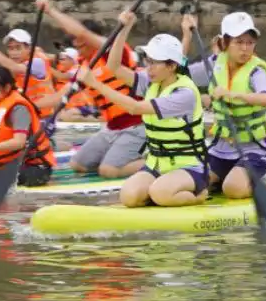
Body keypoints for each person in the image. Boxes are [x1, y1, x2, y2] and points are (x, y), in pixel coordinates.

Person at [78, 33, 210, 209]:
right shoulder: (150, 82)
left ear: (171, 66)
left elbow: (135, 108)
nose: (149, 68)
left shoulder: (184, 94)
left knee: (160, 193)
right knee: (129, 197)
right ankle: (162, 193)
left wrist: (97, 85)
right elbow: (114, 67)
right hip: (156, 163)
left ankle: (198, 195)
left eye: (155, 63)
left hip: (189, 166)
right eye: (148, 61)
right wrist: (125, 27)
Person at [39, 0, 149, 178]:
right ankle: (121, 155)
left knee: (108, 171)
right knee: (78, 164)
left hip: (136, 126)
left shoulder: (114, 53)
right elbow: (57, 97)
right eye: (77, 47)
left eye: (82, 45)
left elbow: (81, 32)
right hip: (111, 128)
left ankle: (159, 162)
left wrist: (51, 10)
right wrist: (28, 105)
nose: (79, 50)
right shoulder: (83, 67)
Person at [188, 11, 266, 200]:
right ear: (224, 43)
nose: (245, 49)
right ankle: (223, 180)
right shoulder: (215, 64)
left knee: (233, 189)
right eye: (239, 42)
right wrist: (186, 34)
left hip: (254, 149)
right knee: (195, 183)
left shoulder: (256, 71)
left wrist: (233, 95)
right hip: (222, 148)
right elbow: (182, 75)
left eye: (250, 42)